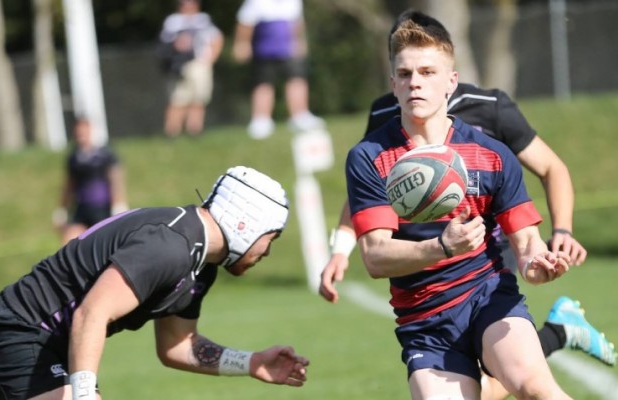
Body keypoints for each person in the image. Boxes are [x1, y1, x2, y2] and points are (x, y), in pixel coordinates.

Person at [319, 10, 616, 379]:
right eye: (405, 71)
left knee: (518, 378)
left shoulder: (491, 110)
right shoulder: (384, 114)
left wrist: (561, 234)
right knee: (491, 381)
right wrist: (340, 248)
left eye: (427, 71)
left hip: (488, 247)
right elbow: (374, 190)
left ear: (450, 79)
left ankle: (552, 337)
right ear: (393, 78)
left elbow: (551, 168)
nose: (415, 82)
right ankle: (558, 334)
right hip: (422, 279)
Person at [0, 166, 310, 400]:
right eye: (271, 238)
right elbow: (92, 314)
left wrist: (250, 362)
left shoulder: (201, 262)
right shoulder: (171, 246)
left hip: (48, 343)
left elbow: (177, 346)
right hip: (13, 333)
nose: (268, 251)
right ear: (244, 225)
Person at [233, 0, 324, 140]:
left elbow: (297, 22)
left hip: (289, 48)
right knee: (263, 84)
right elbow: (245, 24)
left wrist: (299, 40)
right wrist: (242, 44)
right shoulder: (255, 2)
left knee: (297, 79)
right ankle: (261, 120)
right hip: (263, 49)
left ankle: (299, 116)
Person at [53, 117, 129, 245]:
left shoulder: (105, 154)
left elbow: (116, 179)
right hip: (82, 208)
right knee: (69, 241)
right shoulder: (74, 157)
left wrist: (119, 203)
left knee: (103, 244)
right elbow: (70, 184)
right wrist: (62, 209)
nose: (81, 136)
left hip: (103, 209)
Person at [158, 0, 224, 138]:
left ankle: (194, 131)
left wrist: (210, 60)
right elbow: (165, 43)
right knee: (177, 99)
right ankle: (172, 133)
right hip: (179, 65)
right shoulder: (172, 21)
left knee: (198, 99)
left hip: (199, 63)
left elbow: (217, 38)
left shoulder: (204, 20)